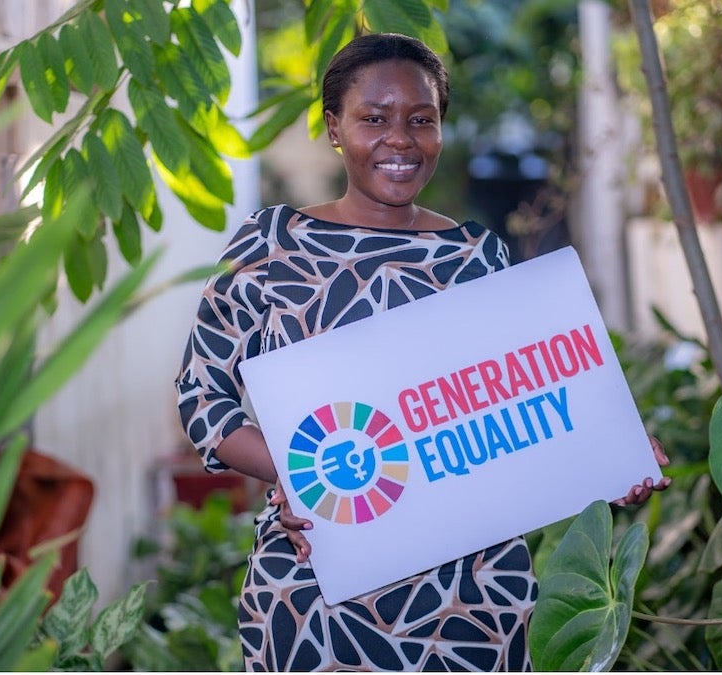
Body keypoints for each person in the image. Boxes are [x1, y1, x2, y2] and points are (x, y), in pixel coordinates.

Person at [175, 32, 670, 672]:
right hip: (317, 583)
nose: (400, 140)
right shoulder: (274, 246)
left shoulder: (478, 257)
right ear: (334, 128)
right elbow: (202, 398)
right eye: (374, 119)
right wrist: (301, 479)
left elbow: (516, 410)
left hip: (472, 598)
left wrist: (607, 456)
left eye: (421, 120)